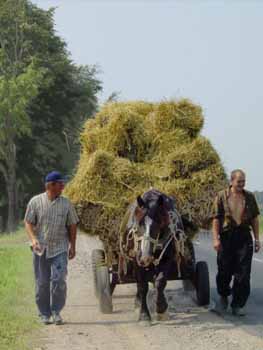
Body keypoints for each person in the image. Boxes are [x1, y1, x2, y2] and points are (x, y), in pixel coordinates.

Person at [24, 171, 79, 325]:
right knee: (42, 282)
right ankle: (44, 313)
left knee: (59, 279)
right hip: (40, 248)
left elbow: (72, 225)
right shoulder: (35, 202)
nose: (63, 186)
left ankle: (56, 311)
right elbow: (27, 222)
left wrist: (72, 246)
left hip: (60, 248)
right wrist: (33, 239)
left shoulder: (66, 203)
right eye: (60, 183)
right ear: (50, 185)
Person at [212, 169, 261, 316]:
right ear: (232, 181)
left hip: (244, 237)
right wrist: (215, 238)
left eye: (243, 181)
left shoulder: (250, 197)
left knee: (243, 273)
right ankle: (223, 297)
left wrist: (257, 239)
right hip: (227, 237)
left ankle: (237, 304)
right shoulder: (221, 196)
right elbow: (216, 219)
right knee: (224, 270)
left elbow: (254, 219)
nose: (242, 184)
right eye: (239, 181)